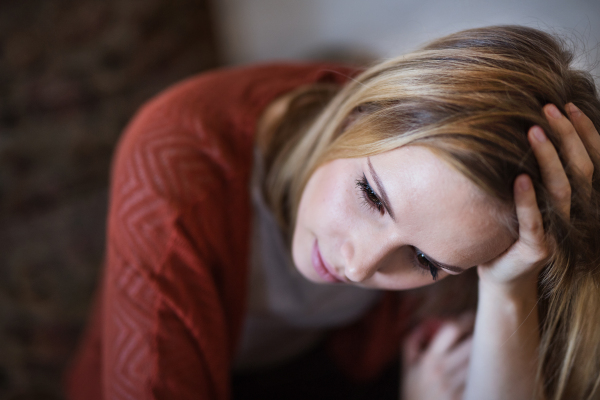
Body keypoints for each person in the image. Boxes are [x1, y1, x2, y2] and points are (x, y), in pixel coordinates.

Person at [65, 25, 600, 400]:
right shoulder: (173, 160)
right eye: (371, 197)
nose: (361, 266)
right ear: (359, 112)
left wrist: (510, 286)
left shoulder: (469, 217)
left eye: (422, 259)